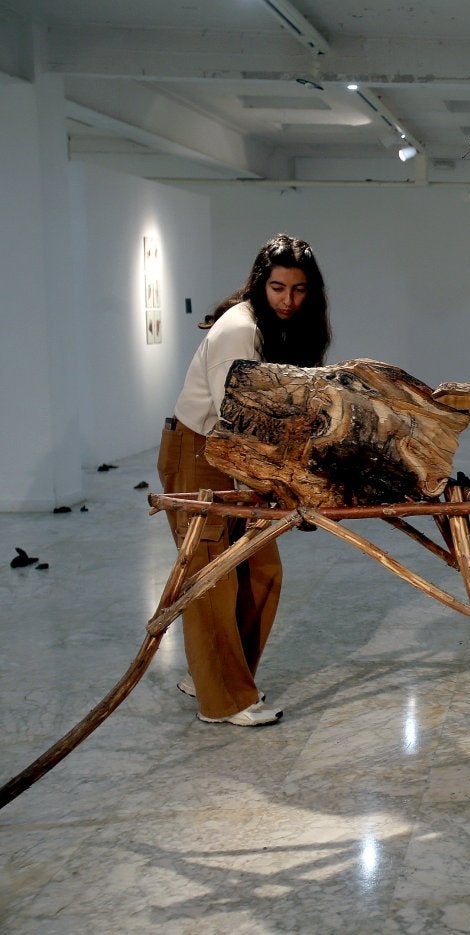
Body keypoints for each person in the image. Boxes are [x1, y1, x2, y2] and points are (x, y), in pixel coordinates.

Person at [157, 234, 332, 726]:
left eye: (298, 290)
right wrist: (269, 481)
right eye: (278, 287)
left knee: (260, 570)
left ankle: (213, 673)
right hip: (201, 450)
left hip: (234, 451)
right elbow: (234, 418)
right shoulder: (239, 330)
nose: (288, 300)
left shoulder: (290, 329)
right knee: (211, 575)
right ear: (260, 283)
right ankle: (224, 699)